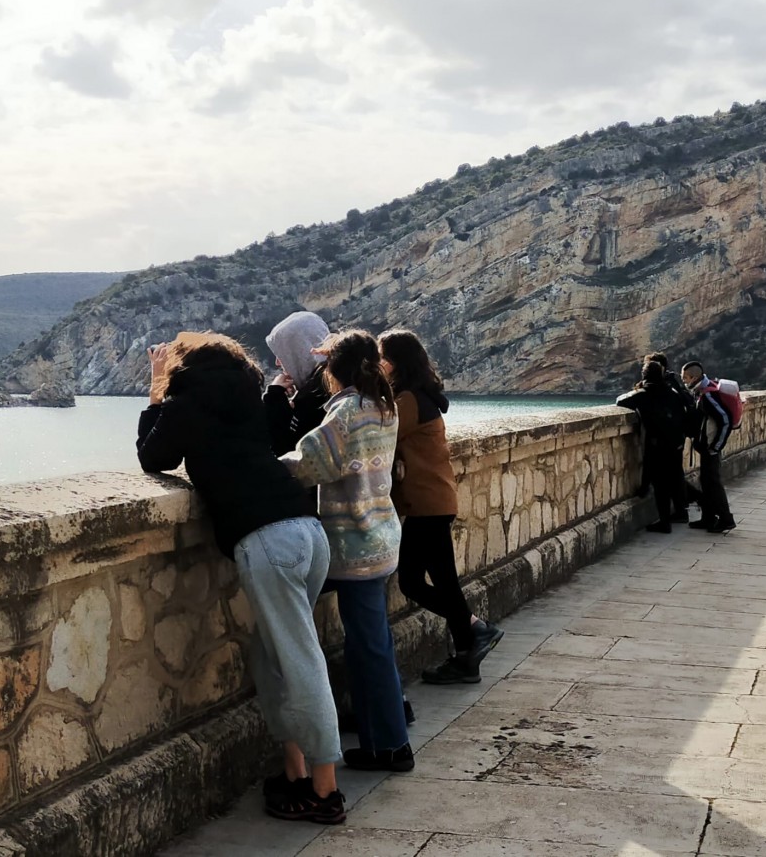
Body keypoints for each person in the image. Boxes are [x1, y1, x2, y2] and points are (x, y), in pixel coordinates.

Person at [136, 332, 346, 824]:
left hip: (267, 538)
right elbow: (276, 440)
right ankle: (294, 774)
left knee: (298, 662)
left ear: (182, 367)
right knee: (271, 658)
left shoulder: (187, 402)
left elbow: (154, 456)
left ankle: (325, 791)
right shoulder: (246, 395)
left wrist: (156, 388)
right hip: (307, 531)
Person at [266, 312, 416, 725]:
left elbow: (311, 461)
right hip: (381, 536)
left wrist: (264, 466)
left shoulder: (345, 411)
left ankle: (390, 741)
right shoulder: (383, 404)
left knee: (368, 642)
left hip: (354, 542)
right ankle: (383, 719)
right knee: (372, 639)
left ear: (336, 368)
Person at [377, 329, 504, 685]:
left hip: (426, 504)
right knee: (445, 582)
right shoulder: (421, 395)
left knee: (413, 582)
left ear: (396, 361)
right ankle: (467, 659)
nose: (380, 364)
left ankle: (475, 628)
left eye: (383, 357)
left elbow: (378, 435)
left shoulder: (408, 400)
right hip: (435, 500)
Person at [616, 360, 689, 533]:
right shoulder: (672, 393)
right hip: (676, 443)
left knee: (660, 484)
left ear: (644, 375)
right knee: (675, 478)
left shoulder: (644, 394)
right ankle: (680, 512)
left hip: (657, 445)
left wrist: (638, 388)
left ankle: (664, 522)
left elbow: (620, 401)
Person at [263, 311, 332, 455]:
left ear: (300, 350)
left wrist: (274, 398)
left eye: (282, 355)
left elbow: (286, 450)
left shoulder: (316, 397)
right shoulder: (330, 382)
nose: (277, 362)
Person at [681, 361, 737, 533]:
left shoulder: (709, 396)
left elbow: (725, 421)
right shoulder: (702, 391)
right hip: (707, 446)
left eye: (685, 378)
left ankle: (726, 519)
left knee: (713, 483)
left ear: (694, 377)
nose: (684, 382)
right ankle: (708, 518)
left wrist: (716, 447)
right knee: (705, 481)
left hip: (711, 447)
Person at [641, 351, 695, 520]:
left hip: (664, 438)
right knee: (675, 475)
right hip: (676, 437)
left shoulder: (666, 385)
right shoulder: (671, 384)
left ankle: (672, 515)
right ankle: (682, 511)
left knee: (665, 478)